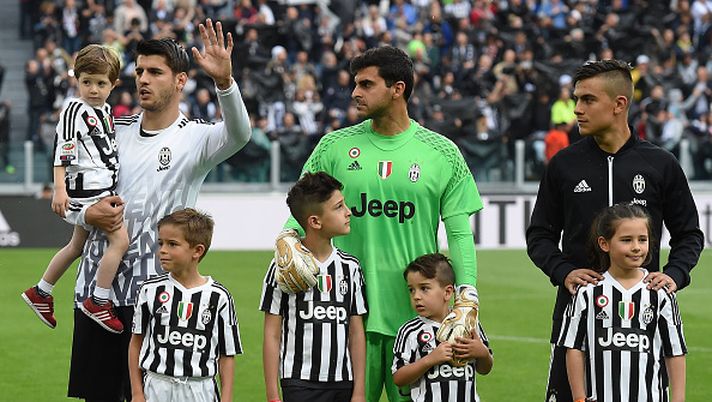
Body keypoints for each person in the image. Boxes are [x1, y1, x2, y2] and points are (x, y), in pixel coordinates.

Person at [282, 46, 483, 402]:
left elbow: (459, 230)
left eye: (366, 84)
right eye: (355, 84)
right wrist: (287, 238)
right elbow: (302, 208)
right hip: (344, 317)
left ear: (397, 89)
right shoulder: (334, 147)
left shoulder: (442, 152)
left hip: (416, 320)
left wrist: (467, 294)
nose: (355, 93)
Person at [67, 19, 251, 401]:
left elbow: (239, 134)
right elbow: (73, 196)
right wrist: (86, 215)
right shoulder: (111, 130)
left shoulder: (196, 138)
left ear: (180, 80)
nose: (143, 80)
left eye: (155, 72)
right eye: (139, 71)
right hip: (97, 292)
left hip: (157, 296)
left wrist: (225, 84)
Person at [526, 59, 703, 402]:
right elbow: (540, 236)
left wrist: (675, 275)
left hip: (642, 325)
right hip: (576, 320)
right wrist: (564, 272)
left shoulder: (660, 164)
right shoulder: (564, 164)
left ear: (619, 104)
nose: (577, 109)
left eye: (588, 100)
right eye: (576, 99)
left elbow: (689, 235)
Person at [22, 44, 129, 333]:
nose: (93, 89)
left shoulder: (104, 110)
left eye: (101, 83)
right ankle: (99, 299)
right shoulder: (74, 109)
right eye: (87, 82)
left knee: (76, 246)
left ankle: (41, 292)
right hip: (87, 193)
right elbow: (63, 151)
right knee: (120, 241)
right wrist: (59, 189)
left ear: (113, 84)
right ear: (76, 80)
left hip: (101, 190)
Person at [558, 203, 686, 402]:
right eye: (626, 240)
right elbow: (575, 348)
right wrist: (579, 397)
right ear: (604, 244)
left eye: (642, 240)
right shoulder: (587, 292)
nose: (636, 247)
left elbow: (675, 352)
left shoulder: (660, 293)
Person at [260, 172, 368, 402]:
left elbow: (356, 332)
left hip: (343, 382)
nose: (348, 212)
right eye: (339, 207)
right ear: (315, 222)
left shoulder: (351, 268)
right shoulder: (284, 268)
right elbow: (272, 333)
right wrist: (272, 394)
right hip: (299, 383)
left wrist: (359, 391)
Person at [128, 208, 242, 402]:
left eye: (172, 244)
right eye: (161, 243)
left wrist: (227, 398)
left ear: (197, 251)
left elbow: (226, 355)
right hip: (157, 386)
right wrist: (137, 393)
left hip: (200, 389)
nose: (162, 250)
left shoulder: (218, 297)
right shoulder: (150, 290)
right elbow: (136, 343)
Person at [392, 253, 492, 402]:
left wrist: (482, 353)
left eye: (424, 288)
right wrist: (429, 360)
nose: (416, 296)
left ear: (447, 292)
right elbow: (399, 378)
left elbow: (485, 369)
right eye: (411, 290)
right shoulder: (410, 331)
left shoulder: (469, 322)